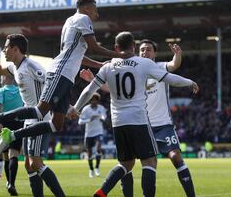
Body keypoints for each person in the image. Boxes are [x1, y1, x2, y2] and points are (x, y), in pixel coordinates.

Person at [0, 0, 132, 160]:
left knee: (56, 124)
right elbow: (93, 47)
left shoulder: (70, 22)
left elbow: (77, 56)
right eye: (95, 10)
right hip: (61, 71)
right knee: (40, 110)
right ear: (86, 8)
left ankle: (13, 135)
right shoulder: (83, 18)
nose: (97, 15)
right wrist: (119, 56)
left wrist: (99, 65)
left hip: (66, 74)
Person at [68, 31, 199, 197]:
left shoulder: (109, 66)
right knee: (149, 162)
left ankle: (103, 191)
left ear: (116, 47)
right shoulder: (143, 64)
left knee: (125, 164)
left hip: (118, 123)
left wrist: (76, 108)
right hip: (139, 120)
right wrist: (190, 82)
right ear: (135, 47)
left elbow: (89, 90)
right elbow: (171, 79)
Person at [0, 35, 64, 197]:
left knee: (35, 163)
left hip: (40, 118)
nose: (4, 50)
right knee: (29, 165)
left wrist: (67, 106)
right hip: (28, 119)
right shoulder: (15, 67)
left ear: (15, 49)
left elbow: (52, 83)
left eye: (6, 47)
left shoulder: (31, 65)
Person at [78, 92, 107, 178]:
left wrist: (101, 118)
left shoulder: (101, 108)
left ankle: (97, 168)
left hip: (99, 132)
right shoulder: (86, 109)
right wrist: (89, 120)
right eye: (92, 100)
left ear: (98, 101)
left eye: (96, 100)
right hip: (89, 133)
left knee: (98, 148)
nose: (94, 101)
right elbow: (80, 122)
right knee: (89, 153)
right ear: (90, 101)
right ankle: (91, 170)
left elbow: (104, 116)